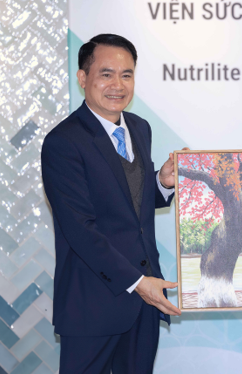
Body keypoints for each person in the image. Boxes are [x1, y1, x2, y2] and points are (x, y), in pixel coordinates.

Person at [41, 34, 182, 373]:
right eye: (106, 74)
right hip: (92, 304)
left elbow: (126, 203)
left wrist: (161, 182)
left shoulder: (140, 128)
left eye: (126, 75)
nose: (118, 85)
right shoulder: (63, 141)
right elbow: (80, 229)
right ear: (82, 78)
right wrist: (138, 282)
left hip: (144, 304)